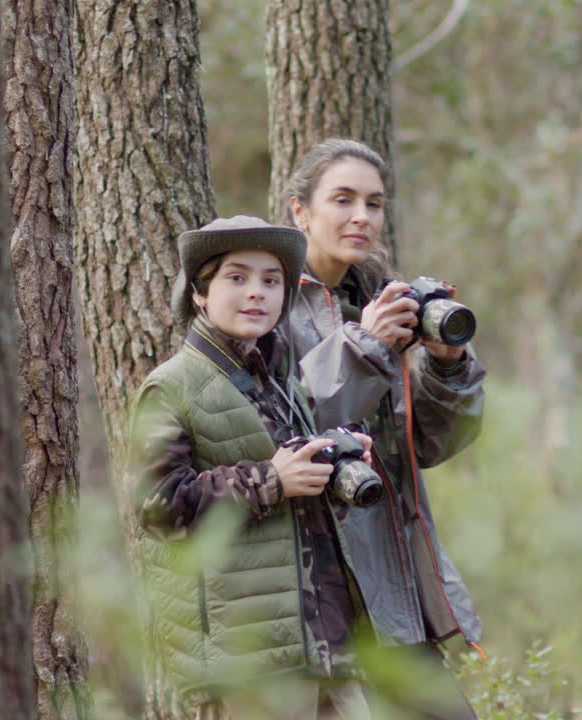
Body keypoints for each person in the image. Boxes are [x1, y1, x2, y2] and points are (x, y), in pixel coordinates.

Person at [126, 215, 374, 720]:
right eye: (236, 278)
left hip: (326, 645)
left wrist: (328, 469)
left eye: (270, 280)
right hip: (248, 661)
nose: (256, 293)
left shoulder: (281, 377)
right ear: (200, 293)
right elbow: (158, 508)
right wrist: (272, 480)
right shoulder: (171, 386)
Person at [283, 138, 487, 720]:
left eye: (373, 203)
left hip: (392, 579)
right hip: (317, 581)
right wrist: (365, 345)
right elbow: (288, 425)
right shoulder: (266, 302)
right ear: (300, 211)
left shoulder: (374, 296)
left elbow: (429, 445)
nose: (361, 217)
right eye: (342, 199)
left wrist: (448, 365)